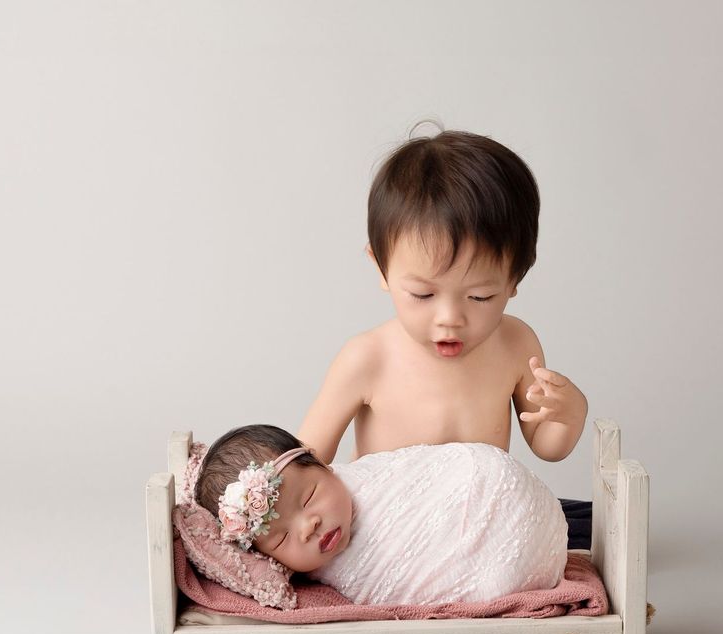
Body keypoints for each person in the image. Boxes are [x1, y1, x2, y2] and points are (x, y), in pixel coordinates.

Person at [296, 127, 591, 547]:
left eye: (480, 296)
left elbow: (546, 445)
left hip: (477, 526)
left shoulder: (515, 343)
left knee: (572, 522)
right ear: (381, 268)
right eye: (422, 294)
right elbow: (304, 459)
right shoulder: (368, 357)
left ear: (515, 279)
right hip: (386, 531)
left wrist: (569, 415)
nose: (450, 318)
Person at [193, 424, 568, 606]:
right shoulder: (305, 575)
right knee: (494, 579)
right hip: (500, 565)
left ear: (325, 466)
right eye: (281, 539)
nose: (308, 526)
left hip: (493, 487)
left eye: (309, 498)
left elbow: (448, 472)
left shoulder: (374, 480)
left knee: (487, 474)